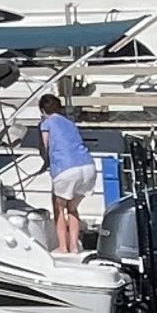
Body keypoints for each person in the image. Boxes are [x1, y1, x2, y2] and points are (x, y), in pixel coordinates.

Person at [36, 92, 98, 253]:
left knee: (59, 208)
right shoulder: (70, 123)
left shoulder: (46, 123)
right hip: (88, 167)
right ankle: (74, 247)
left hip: (66, 169)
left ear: (42, 110)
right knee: (73, 208)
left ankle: (63, 248)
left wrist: (45, 164)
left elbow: (46, 147)